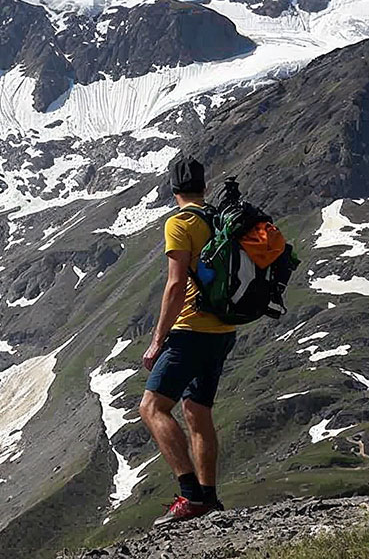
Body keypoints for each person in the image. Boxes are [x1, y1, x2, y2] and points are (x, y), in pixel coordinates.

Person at [138, 155, 236, 525]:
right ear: (204, 187)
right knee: (197, 411)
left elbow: (176, 284)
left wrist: (157, 339)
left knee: (151, 407)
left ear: (173, 189)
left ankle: (191, 495)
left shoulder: (181, 222)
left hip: (191, 329)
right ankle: (209, 497)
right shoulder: (219, 219)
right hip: (224, 330)